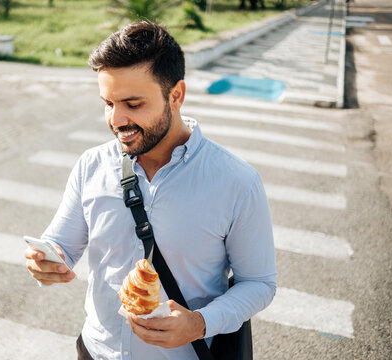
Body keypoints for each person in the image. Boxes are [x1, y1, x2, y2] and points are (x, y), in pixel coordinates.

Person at [25, 21, 277, 360]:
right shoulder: (91, 165)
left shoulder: (237, 182)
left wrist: (199, 323)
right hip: (95, 351)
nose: (117, 120)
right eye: (108, 103)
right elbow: (62, 245)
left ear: (176, 96)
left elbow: (259, 283)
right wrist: (48, 261)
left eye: (133, 103)